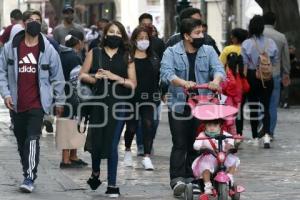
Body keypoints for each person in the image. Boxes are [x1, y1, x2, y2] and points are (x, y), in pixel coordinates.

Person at [0, 9, 65, 193]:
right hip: (17, 103)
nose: (34, 23)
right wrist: (5, 94)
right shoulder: (11, 47)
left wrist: (59, 100)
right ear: (24, 23)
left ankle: (29, 176)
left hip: (38, 103)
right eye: (30, 20)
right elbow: (1, 72)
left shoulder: (48, 48)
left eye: (38, 20)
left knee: (32, 138)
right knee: (22, 140)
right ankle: (26, 169)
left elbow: (57, 76)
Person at [160, 18, 225, 197]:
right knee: (180, 143)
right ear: (187, 36)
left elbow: (219, 69)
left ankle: (195, 178)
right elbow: (166, 73)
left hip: (203, 104)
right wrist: (183, 83)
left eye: (202, 32)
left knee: (198, 143)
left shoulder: (209, 50)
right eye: (197, 33)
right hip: (179, 103)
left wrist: (215, 81)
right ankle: (177, 180)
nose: (201, 36)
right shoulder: (172, 52)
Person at [79, 21, 137, 198]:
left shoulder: (127, 56)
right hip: (97, 104)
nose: (115, 35)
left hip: (118, 105)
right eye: (111, 32)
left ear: (123, 36)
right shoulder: (95, 52)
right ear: (105, 34)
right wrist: (94, 77)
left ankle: (112, 184)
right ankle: (95, 172)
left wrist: (115, 77)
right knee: (97, 143)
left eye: (118, 33)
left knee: (112, 145)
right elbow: (82, 74)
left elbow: (133, 84)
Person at [123, 26, 161, 169]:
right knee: (131, 127)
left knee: (148, 125)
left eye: (146, 38)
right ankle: (127, 150)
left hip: (149, 97)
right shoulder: (128, 57)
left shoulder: (154, 56)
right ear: (134, 40)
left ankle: (146, 156)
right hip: (131, 97)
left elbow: (158, 76)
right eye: (140, 38)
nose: (143, 41)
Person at [241, 15, 278, 148]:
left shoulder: (246, 43)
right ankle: (267, 136)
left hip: (252, 76)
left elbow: (244, 63)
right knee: (266, 106)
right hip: (267, 77)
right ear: (262, 28)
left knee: (253, 107)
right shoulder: (271, 43)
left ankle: (255, 137)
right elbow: (274, 61)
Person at [192, 105, 240, 195]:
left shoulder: (223, 133)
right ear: (205, 126)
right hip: (210, 156)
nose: (212, 127)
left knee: (233, 162)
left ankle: (229, 176)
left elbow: (230, 139)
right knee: (205, 169)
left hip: (222, 156)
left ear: (220, 125)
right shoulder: (203, 135)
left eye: (215, 125)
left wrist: (230, 144)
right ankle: (207, 185)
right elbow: (196, 144)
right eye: (209, 125)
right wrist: (200, 147)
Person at [59, 29, 88, 168]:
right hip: (72, 96)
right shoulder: (74, 57)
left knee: (69, 124)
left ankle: (72, 156)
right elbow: (76, 80)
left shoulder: (61, 53)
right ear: (79, 42)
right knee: (71, 125)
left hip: (62, 94)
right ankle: (66, 159)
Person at [263, 12, 290, 140]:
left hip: (259, 75)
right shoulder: (281, 37)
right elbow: (286, 58)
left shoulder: (257, 36)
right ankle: (270, 132)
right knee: (273, 104)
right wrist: (286, 73)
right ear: (275, 23)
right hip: (275, 74)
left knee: (260, 102)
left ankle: (261, 128)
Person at [219, 28, 249, 136]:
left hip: (230, 84)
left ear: (236, 38)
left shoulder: (227, 49)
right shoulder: (246, 49)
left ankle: (229, 131)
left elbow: (220, 65)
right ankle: (239, 133)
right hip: (243, 83)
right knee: (240, 108)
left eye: (232, 36)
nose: (231, 38)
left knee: (229, 108)